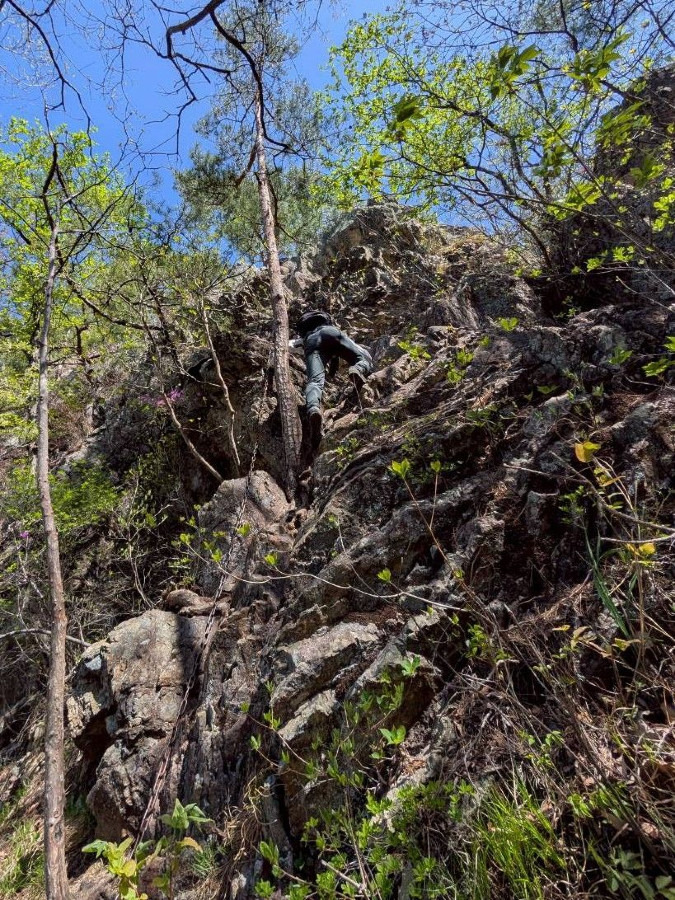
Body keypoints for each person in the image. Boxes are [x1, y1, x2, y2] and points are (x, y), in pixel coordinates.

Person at [290, 310, 373, 439]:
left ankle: (313, 409)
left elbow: (331, 359)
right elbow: (335, 356)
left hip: (311, 341)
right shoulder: (326, 322)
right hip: (331, 332)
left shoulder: (301, 337)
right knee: (363, 358)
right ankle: (358, 368)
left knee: (315, 381)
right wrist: (333, 373)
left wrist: (331, 373)